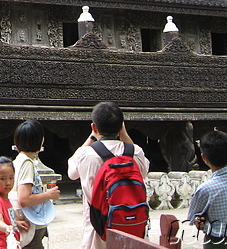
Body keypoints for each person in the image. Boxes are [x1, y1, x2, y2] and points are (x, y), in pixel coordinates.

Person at [67, 102, 150, 249]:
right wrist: (123, 134)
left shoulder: (86, 154)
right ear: (121, 126)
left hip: (98, 228)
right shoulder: (135, 152)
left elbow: (72, 173)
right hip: (133, 226)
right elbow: (144, 170)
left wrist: (92, 137)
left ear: (94, 127)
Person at [187, 131, 227, 248]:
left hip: (215, 242)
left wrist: (201, 222)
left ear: (204, 157)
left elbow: (193, 217)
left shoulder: (206, 189)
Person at [10, 120, 61, 249]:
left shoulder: (18, 161)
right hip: (31, 222)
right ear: (41, 140)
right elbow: (24, 199)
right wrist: (48, 194)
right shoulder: (27, 164)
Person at [0, 156, 28, 249]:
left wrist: (15, 223)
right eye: (2, 179)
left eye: (11, 178)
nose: (8, 182)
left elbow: (6, 219)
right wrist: (6, 228)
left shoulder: (6, 199)